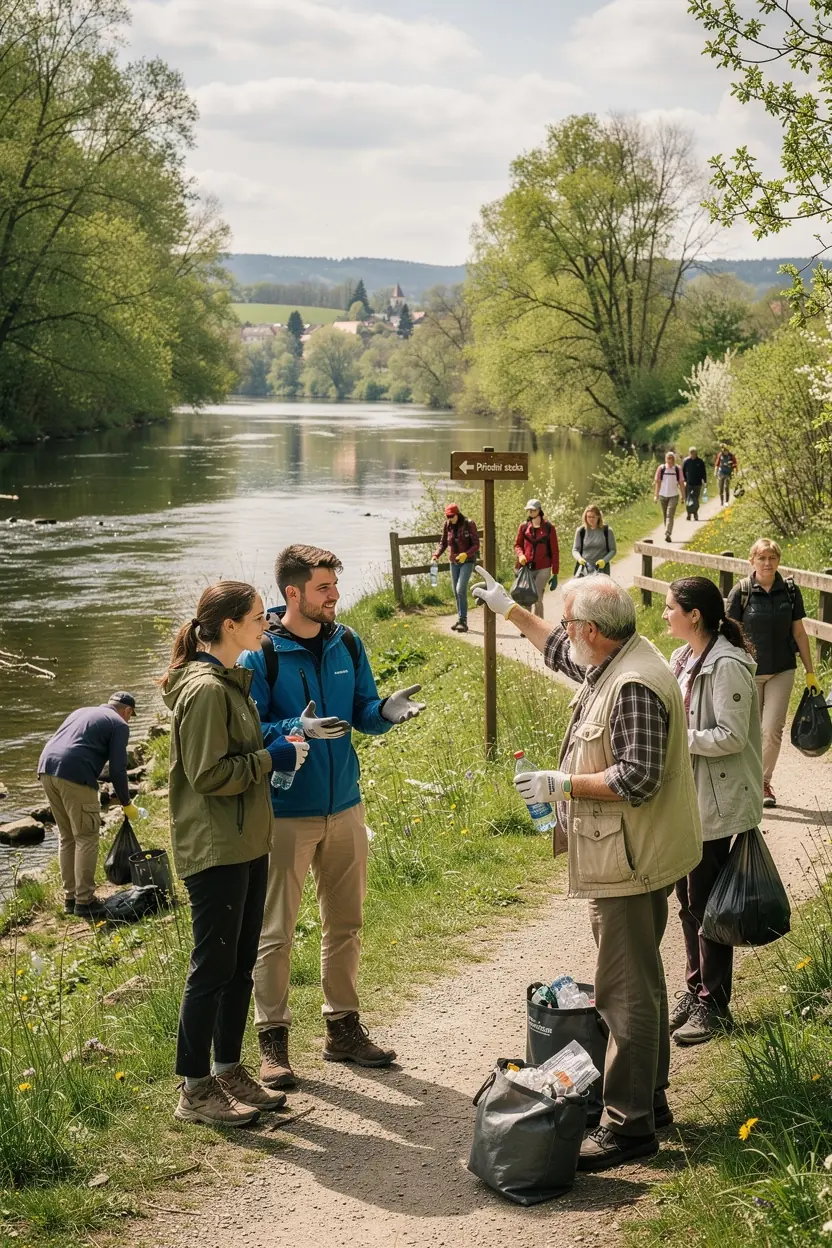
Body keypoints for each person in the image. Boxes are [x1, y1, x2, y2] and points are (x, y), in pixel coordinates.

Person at [472, 568, 701, 1172]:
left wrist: (562, 783)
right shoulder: (617, 656)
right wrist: (509, 610)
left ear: (594, 631)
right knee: (641, 987)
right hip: (638, 855)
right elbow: (560, 653)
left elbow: (638, 778)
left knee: (625, 997)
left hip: (630, 859)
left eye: (571, 624)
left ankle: (630, 1128)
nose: (566, 634)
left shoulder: (631, 686)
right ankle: (650, 1101)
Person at [240, 544, 426, 1089]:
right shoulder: (261, 656)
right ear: (292, 593)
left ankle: (342, 1029)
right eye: (323, 588)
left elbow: (362, 712)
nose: (335, 597)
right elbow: (249, 736)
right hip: (284, 814)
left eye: (335, 587)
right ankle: (272, 1040)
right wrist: (294, 731)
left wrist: (384, 713)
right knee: (276, 931)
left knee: (345, 924)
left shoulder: (347, 641)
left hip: (345, 805)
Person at [161, 581, 309, 1127]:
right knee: (212, 969)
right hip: (216, 847)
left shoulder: (230, 682)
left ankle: (227, 1069)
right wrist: (270, 760)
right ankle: (194, 1089)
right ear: (228, 627)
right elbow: (206, 776)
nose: (265, 624)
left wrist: (279, 751)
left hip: (247, 842)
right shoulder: (204, 690)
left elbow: (238, 759)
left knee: (240, 964)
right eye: (255, 617)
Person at [663, 577, 762, 1045]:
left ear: (694, 615)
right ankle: (695, 987)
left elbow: (731, 736)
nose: (664, 615)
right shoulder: (682, 658)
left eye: (670, 608)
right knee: (687, 900)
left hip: (716, 803)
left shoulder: (727, 665)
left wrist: (678, 744)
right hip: (688, 798)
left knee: (708, 904)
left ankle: (714, 1004)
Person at [726, 538, 818, 807]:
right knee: (749, 730)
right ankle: (742, 779)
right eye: (762, 558)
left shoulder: (789, 591)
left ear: (778, 560)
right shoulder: (741, 592)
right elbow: (729, 634)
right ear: (751, 560)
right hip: (748, 671)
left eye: (772, 558)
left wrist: (811, 673)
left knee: (771, 729)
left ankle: (763, 783)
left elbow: (799, 632)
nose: (768, 563)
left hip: (782, 669)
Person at [38, 691, 140, 919]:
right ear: (127, 711)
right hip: (74, 774)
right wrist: (126, 802)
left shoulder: (82, 712)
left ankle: (70, 898)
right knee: (86, 837)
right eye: (131, 716)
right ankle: (85, 901)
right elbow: (117, 769)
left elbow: (72, 745)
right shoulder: (119, 724)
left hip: (46, 768)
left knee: (67, 837)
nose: (129, 720)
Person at [432, 502, 480, 632]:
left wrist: (466, 554)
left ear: (457, 514)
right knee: (455, 592)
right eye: (447, 516)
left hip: (467, 561)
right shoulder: (447, 525)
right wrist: (436, 554)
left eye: (452, 516)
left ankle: (463, 620)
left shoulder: (469, 524)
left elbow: (476, 544)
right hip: (454, 562)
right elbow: (443, 543)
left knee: (460, 589)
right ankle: (460, 619)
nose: (450, 519)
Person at [513, 498, 559, 618]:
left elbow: (555, 551)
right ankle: (528, 624)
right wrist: (521, 555)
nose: (531, 512)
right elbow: (517, 545)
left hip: (544, 567)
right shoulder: (523, 527)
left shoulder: (549, 527)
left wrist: (555, 573)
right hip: (527, 567)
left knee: (537, 596)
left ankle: (539, 624)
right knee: (527, 595)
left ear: (539, 510)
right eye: (529, 510)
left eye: (533, 510)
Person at [572, 505, 616, 576]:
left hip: (602, 569)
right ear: (585, 517)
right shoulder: (580, 531)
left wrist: (604, 561)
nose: (591, 519)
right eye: (589, 517)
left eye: (593, 517)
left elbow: (613, 550)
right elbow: (575, 550)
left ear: (598, 516)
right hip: (585, 569)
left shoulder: (607, 531)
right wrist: (579, 559)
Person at [653, 451, 683, 542]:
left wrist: (683, 495)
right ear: (666, 459)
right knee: (665, 515)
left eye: (671, 458)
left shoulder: (677, 469)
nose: (670, 460)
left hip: (673, 495)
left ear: (674, 459)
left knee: (670, 515)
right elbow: (657, 482)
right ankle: (667, 531)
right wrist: (656, 495)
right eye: (668, 458)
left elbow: (681, 483)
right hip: (663, 495)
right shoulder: (661, 468)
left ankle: (668, 533)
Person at [681, 446, 707, 521]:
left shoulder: (700, 461)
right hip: (688, 483)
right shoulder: (686, 461)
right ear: (689, 453)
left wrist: (705, 482)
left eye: (694, 453)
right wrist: (684, 481)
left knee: (695, 499)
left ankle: (695, 513)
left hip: (697, 483)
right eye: (691, 453)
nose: (693, 454)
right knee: (688, 499)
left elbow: (703, 473)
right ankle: (688, 514)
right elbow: (682, 472)